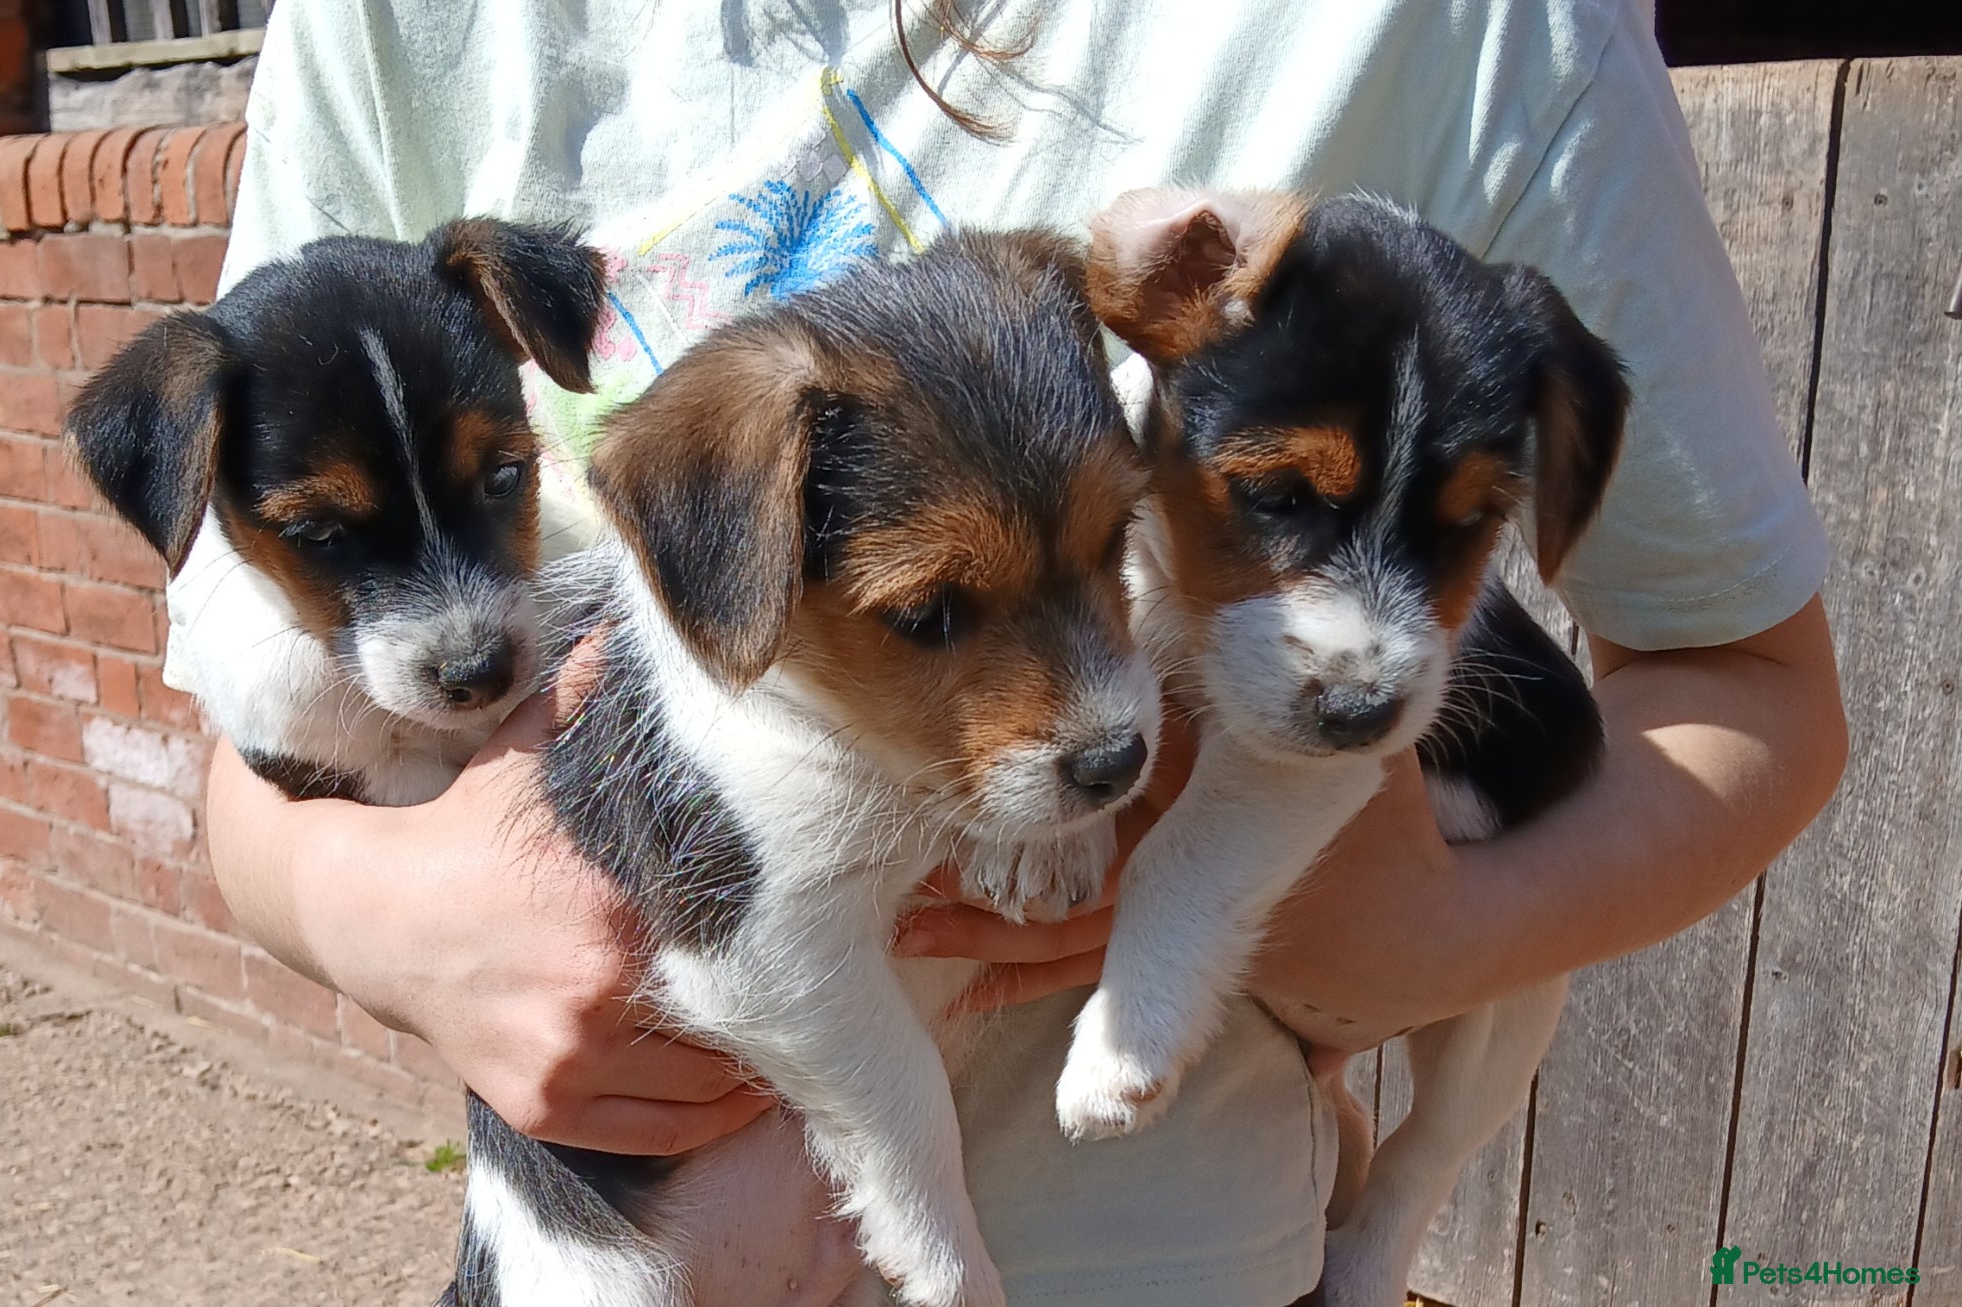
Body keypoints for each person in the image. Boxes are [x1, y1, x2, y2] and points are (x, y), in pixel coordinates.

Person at [198, 2, 1849, 1302]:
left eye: (1116, 537)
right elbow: (258, 733)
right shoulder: (397, 26)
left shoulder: (1476, 32)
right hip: (645, 1236)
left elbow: (1758, 684)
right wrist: (385, 917)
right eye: (931, 613)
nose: (1097, 706)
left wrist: (1428, 938)